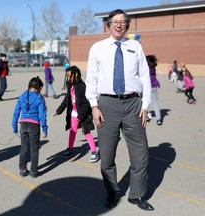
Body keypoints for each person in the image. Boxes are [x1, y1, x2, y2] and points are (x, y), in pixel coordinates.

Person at [85, 9, 154, 211]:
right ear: (108, 25)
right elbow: (91, 79)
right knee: (106, 155)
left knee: (140, 153)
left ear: (127, 25)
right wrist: (94, 106)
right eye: (115, 22)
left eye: (123, 22)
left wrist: (145, 104)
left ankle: (137, 195)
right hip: (107, 105)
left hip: (133, 105)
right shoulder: (97, 48)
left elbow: (144, 77)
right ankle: (113, 192)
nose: (119, 25)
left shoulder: (135, 47)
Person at [54, 66, 99, 163]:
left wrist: (81, 116)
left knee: (87, 132)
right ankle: (70, 149)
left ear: (76, 74)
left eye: (70, 76)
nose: (68, 78)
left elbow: (87, 103)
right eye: (67, 76)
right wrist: (59, 110)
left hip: (83, 114)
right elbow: (67, 99)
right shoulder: (70, 85)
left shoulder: (82, 86)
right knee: (72, 131)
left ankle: (94, 152)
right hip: (73, 113)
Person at [12, 76, 48, 178]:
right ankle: (33, 171)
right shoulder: (39, 98)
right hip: (34, 126)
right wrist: (44, 129)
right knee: (34, 149)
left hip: (23, 125)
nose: (41, 91)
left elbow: (16, 113)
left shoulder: (22, 95)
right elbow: (42, 115)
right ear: (38, 88)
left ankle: (22, 169)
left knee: (24, 148)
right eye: (40, 88)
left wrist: (14, 129)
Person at [146, 55, 162, 125]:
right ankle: (159, 119)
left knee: (145, 102)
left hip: (147, 87)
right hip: (154, 86)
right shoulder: (153, 68)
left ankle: (147, 116)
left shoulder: (146, 68)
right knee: (155, 103)